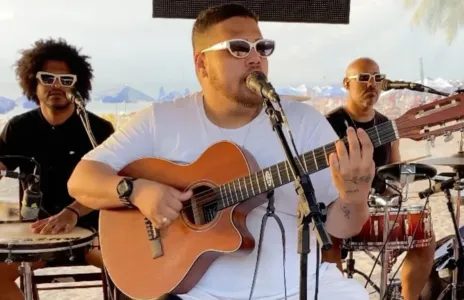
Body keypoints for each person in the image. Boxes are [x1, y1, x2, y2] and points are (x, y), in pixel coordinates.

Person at [67, 4, 373, 300]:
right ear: (202, 64)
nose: (255, 59)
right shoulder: (162, 120)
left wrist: (354, 196)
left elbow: (341, 226)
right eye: (238, 48)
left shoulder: (302, 122)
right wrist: (135, 190)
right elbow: (81, 180)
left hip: (301, 286)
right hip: (199, 294)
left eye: (262, 47)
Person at [0, 38, 115, 300]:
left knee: (134, 274)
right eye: (48, 77)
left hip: (92, 234)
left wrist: (73, 212)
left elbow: (114, 184)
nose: (56, 85)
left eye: (66, 80)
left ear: (78, 85)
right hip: (34, 235)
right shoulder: (18, 128)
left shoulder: (97, 129)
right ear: (33, 82)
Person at [325, 57, 436, 300]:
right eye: (363, 78)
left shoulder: (388, 126)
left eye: (377, 78)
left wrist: (421, 173)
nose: (372, 84)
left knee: (423, 235)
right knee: (327, 236)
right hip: (342, 208)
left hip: (379, 209)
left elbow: (396, 172)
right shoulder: (328, 125)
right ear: (346, 83)